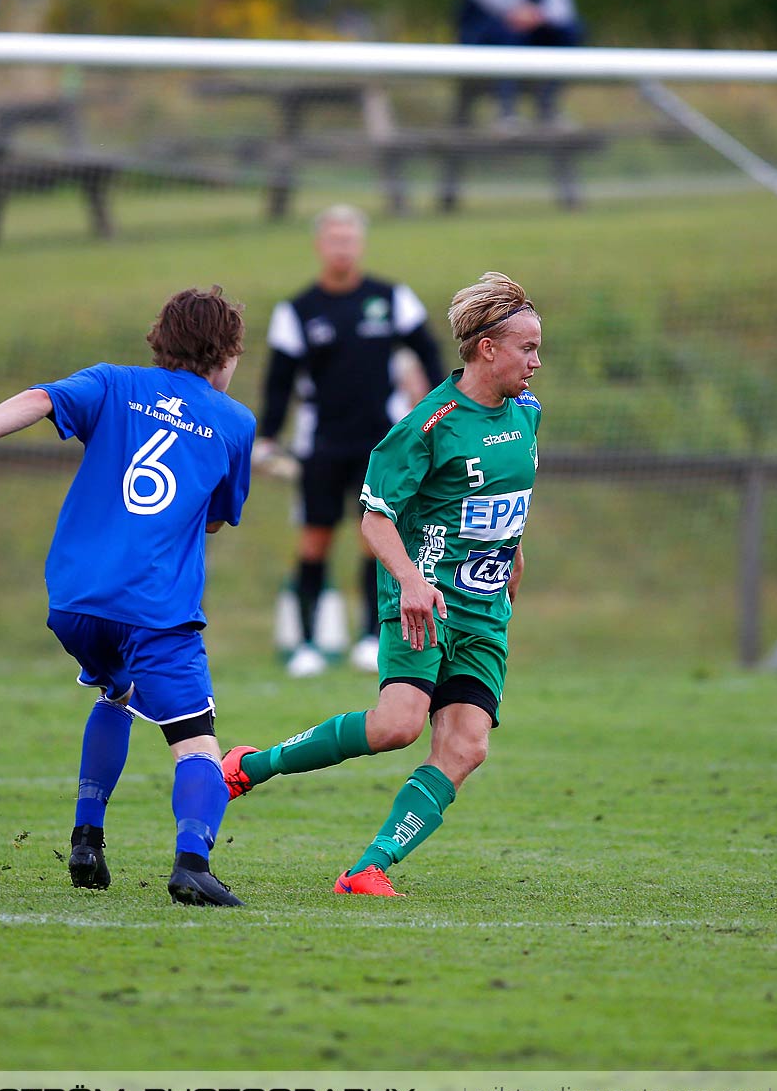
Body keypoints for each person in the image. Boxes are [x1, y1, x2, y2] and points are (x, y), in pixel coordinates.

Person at [224, 272, 543, 897]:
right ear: (486, 347)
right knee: (398, 725)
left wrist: (513, 558)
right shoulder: (427, 425)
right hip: (426, 600)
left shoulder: (528, 416)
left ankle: (368, 868)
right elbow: (375, 517)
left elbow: (503, 499)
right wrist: (411, 580)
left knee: (467, 744)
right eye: (526, 347)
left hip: (486, 608)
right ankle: (248, 766)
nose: (536, 361)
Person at [0, 288, 255, 906]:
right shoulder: (234, 422)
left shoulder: (112, 383)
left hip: (75, 604)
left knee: (116, 692)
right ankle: (192, 863)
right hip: (154, 613)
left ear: (160, 340)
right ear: (225, 355)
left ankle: (87, 837)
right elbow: (218, 518)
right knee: (196, 741)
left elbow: (39, 400)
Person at [255, 205, 447, 679]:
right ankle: (304, 645)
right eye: (333, 239)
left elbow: (430, 352)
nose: (341, 247)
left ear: (359, 245)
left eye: (349, 239)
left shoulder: (390, 298)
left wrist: (443, 412)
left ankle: (368, 637)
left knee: (376, 541)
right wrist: (267, 437)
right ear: (320, 245)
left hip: (379, 444)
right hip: (321, 444)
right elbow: (279, 383)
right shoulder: (296, 311)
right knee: (315, 539)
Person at [456, 0, 584, 126]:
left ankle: (548, 105)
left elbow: (563, 5)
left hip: (531, 31)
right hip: (484, 34)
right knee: (507, 32)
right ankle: (506, 111)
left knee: (570, 30)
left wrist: (539, 14)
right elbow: (493, 1)